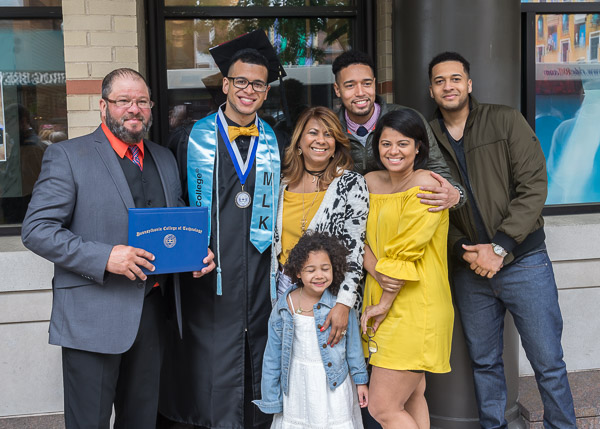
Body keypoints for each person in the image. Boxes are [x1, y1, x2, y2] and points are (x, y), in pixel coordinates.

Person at [20, 68, 215, 429]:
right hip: (92, 317)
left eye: (141, 101)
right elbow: (36, 230)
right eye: (123, 100)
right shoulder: (67, 156)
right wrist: (105, 256)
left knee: (141, 421)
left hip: (154, 317)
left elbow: (174, 227)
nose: (133, 109)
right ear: (103, 106)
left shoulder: (164, 158)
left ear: (152, 107)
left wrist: (195, 254)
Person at [427, 51, 576, 428]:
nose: (449, 86)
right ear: (432, 90)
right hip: (470, 268)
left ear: (469, 84)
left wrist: (499, 247)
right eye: (440, 80)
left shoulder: (505, 120)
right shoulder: (426, 137)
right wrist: (470, 254)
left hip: (524, 262)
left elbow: (533, 187)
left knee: (548, 363)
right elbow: (429, 209)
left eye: (455, 78)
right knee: (485, 362)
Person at [159, 31, 285, 429]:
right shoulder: (188, 139)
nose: (249, 90)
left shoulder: (278, 142)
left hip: (261, 282)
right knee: (206, 378)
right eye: (241, 81)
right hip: (207, 284)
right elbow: (172, 206)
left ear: (266, 92)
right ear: (226, 85)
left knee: (257, 376)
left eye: (258, 84)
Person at [359, 108, 454, 429]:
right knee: (413, 396)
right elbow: (355, 234)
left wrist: (383, 303)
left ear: (418, 147)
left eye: (403, 144)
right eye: (386, 144)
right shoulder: (370, 182)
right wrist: (374, 272)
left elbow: (406, 250)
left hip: (416, 304)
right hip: (381, 297)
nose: (393, 151)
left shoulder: (427, 183)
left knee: (383, 408)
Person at [271, 106, 369, 344]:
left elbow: (355, 251)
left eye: (329, 134)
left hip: (330, 295)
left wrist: (344, 304)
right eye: (313, 133)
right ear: (298, 142)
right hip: (284, 293)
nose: (321, 140)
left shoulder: (350, 184)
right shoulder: (279, 184)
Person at [255, 231, 369, 428]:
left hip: (333, 384)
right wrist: (271, 396)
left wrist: (360, 381)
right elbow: (272, 355)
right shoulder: (285, 306)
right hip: (297, 385)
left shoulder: (340, 306)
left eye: (325, 268)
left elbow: (353, 347)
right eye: (311, 270)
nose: (319, 275)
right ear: (298, 272)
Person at [332, 49, 464, 212]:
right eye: (350, 85)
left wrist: (457, 195)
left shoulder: (408, 118)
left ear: (374, 83)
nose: (360, 92)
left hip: (404, 215)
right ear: (337, 89)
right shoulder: (330, 128)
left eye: (366, 83)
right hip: (348, 221)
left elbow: (438, 172)